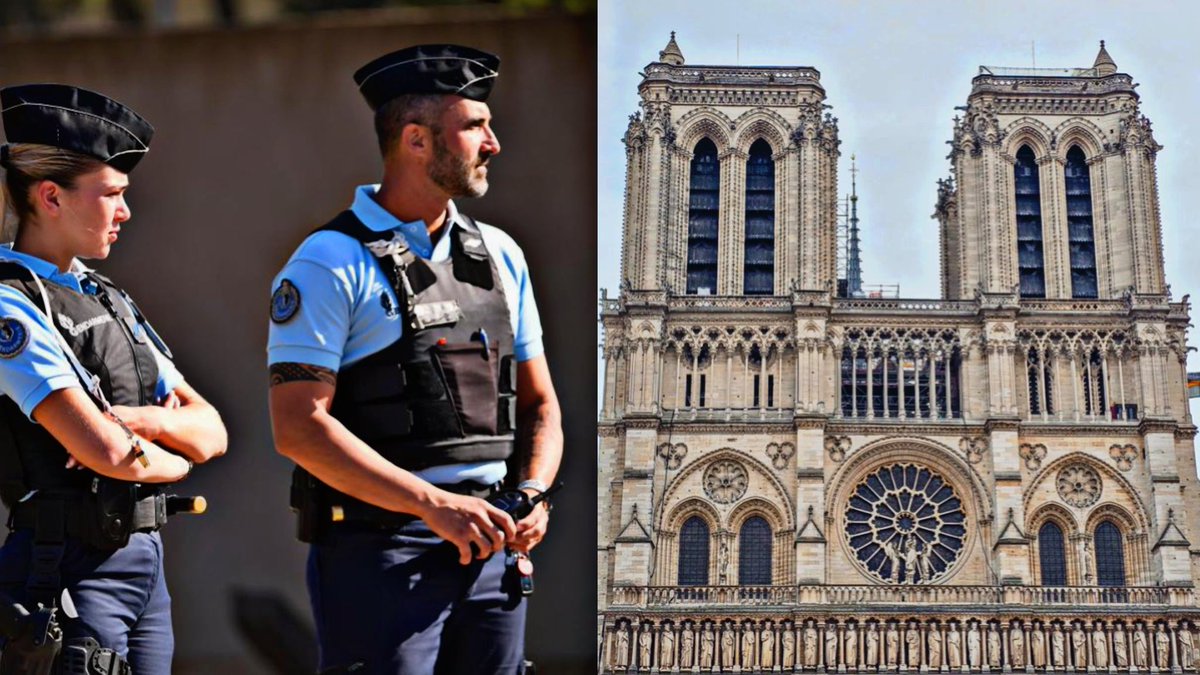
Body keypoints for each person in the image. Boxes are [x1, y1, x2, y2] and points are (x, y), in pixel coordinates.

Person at [268, 44, 562, 674]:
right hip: (383, 554)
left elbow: (541, 407)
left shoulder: (502, 254)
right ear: (417, 141)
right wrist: (433, 507)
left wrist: (531, 494)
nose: (494, 143)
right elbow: (298, 427)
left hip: (493, 549)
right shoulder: (328, 262)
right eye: (475, 126)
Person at [0, 84, 227, 673]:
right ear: (50, 197)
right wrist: (172, 461)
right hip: (65, 567)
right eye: (112, 195)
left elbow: (211, 431)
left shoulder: (106, 297)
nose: (126, 211)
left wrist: (142, 422)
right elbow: (107, 452)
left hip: (143, 564)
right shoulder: (10, 304)